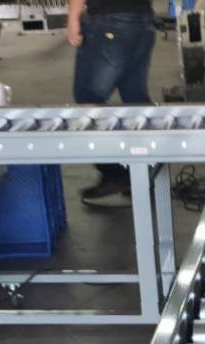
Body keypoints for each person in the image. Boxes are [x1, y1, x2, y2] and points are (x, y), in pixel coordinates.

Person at [66, 0, 156, 205]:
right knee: (135, 99)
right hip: (143, 22)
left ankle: (116, 174)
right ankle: (143, 173)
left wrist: (73, 17)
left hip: (109, 21)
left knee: (89, 102)